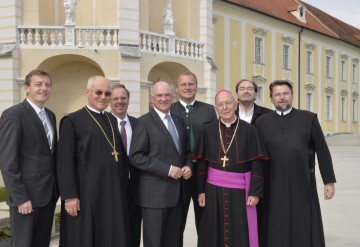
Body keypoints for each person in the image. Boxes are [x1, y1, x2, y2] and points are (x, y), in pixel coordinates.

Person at [255, 80, 336, 247]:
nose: (282, 98)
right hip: (272, 182)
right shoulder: (261, 122)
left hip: (302, 182)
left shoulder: (308, 118)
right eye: (277, 94)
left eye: (285, 93)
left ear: (292, 96)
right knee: (274, 222)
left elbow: (322, 150)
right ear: (271, 98)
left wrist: (328, 180)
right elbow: (255, 155)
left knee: (302, 220)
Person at [56, 76, 130, 246]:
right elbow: (64, 162)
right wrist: (70, 196)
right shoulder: (72, 121)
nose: (103, 97)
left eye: (107, 93)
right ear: (88, 93)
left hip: (112, 193)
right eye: (98, 92)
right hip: (86, 193)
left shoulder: (112, 120)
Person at [194, 89, 267, 247]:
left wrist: (255, 192)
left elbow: (257, 163)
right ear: (216, 109)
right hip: (213, 191)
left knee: (240, 230)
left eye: (228, 103)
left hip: (241, 192)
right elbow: (201, 163)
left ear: (235, 105)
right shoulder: (207, 131)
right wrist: (200, 190)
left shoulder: (250, 130)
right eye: (220, 104)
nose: (225, 107)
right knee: (214, 229)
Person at [129, 81, 193, 247]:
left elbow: (186, 151)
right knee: (155, 242)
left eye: (167, 95)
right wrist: (168, 169)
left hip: (178, 195)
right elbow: (136, 156)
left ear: (173, 97)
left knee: (175, 241)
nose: (163, 98)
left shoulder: (178, 121)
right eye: (159, 95)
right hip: (154, 197)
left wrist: (188, 166)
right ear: (152, 98)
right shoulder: (143, 122)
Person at [0, 69, 58, 247]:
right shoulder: (14, 115)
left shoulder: (50, 115)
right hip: (26, 198)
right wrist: (20, 197)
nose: (44, 89)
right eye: (38, 84)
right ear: (26, 88)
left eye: (47, 85)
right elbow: (7, 161)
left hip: (47, 196)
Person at [171, 71, 216, 246]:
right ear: (177, 88)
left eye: (191, 84)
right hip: (178, 175)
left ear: (197, 87)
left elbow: (214, 142)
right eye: (184, 84)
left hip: (204, 175)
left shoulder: (209, 111)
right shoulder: (170, 110)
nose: (188, 88)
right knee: (176, 225)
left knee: (205, 223)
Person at [235, 79, 272, 242]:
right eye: (242, 88)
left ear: (256, 93)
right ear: (237, 93)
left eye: (250, 89)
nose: (246, 91)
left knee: (260, 214)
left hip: (259, 171)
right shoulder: (228, 112)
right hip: (234, 173)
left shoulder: (267, 115)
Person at [110, 83, 141, 247]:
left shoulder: (139, 124)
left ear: (129, 100)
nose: (119, 102)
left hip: (135, 187)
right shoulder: (103, 124)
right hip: (111, 187)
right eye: (115, 98)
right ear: (110, 101)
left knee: (134, 230)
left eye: (123, 98)